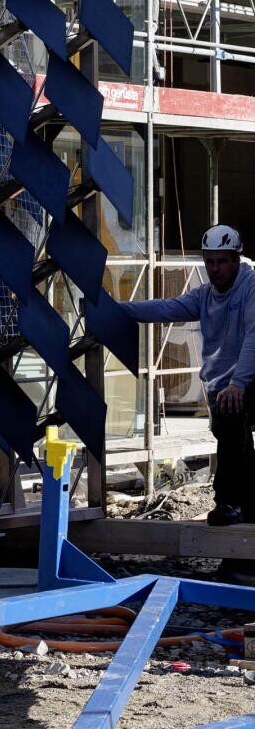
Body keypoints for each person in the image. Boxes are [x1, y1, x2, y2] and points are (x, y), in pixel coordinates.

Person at [121, 224, 255, 527]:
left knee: (234, 428)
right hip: (225, 385)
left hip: (246, 379)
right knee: (234, 437)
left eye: (222, 261)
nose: (215, 269)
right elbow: (167, 308)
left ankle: (229, 503)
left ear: (236, 259)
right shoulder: (206, 296)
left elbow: (253, 337)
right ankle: (246, 507)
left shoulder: (250, 287)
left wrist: (238, 383)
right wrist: (118, 311)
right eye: (210, 262)